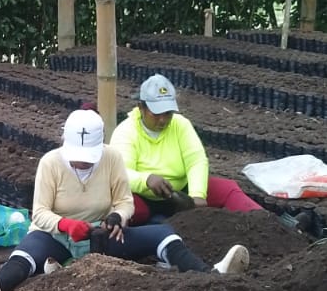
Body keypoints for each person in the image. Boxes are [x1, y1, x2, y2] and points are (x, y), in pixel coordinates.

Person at [0, 109, 250, 291]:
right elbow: (40, 213)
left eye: (88, 159)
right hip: (55, 236)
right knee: (26, 257)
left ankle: (210, 274)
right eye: (77, 158)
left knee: (162, 234)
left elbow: (125, 201)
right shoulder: (50, 163)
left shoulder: (112, 158)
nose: (82, 163)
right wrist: (66, 225)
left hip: (101, 235)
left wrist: (118, 216)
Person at [111, 74, 264, 222]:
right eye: (156, 113)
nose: (163, 120)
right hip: (143, 196)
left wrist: (197, 194)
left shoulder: (180, 124)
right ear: (141, 108)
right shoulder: (126, 131)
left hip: (182, 193)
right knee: (126, 209)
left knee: (228, 189)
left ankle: (264, 220)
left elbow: (196, 160)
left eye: (168, 113)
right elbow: (121, 173)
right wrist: (146, 180)